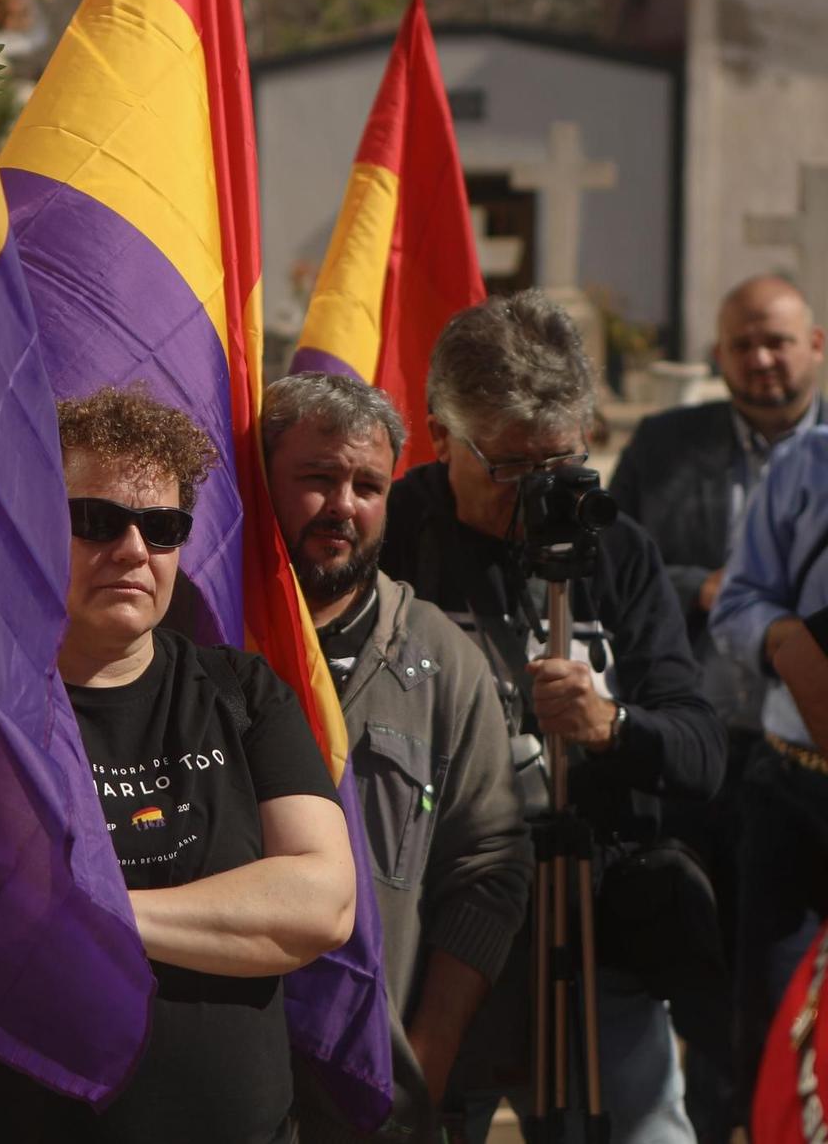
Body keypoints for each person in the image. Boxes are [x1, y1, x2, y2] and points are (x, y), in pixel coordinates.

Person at [0, 383, 356, 1144]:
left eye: (163, 526)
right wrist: (212, 915)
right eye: (97, 521)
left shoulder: (243, 694)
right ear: (37, 523)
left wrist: (95, 910)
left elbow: (323, 901)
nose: (134, 549)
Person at [376, 290, 725, 1144]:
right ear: (439, 435)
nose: (539, 497)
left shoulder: (619, 549)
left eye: (562, 465)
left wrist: (611, 724)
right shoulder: (387, 538)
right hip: (439, 931)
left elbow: (701, 748)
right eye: (509, 469)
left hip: (594, 917)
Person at [263, 373, 530, 1143]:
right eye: (318, 478)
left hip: (372, 1101)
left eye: (368, 484)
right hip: (213, 1092)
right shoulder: (200, 641)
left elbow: (490, 867)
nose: (344, 504)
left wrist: (427, 1059)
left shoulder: (444, 661)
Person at [607, 272, 824, 1140]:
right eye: (743, 343)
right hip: (702, 756)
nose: (762, 358)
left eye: (777, 339)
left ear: (815, 344)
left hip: (795, 764)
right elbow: (616, 570)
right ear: (718, 354)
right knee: (713, 980)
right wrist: (705, 588)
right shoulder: (666, 445)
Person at [710, 424, 828, 1123]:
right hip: (792, 788)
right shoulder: (808, 459)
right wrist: (797, 642)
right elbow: (749, 612)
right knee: (776, 1030)